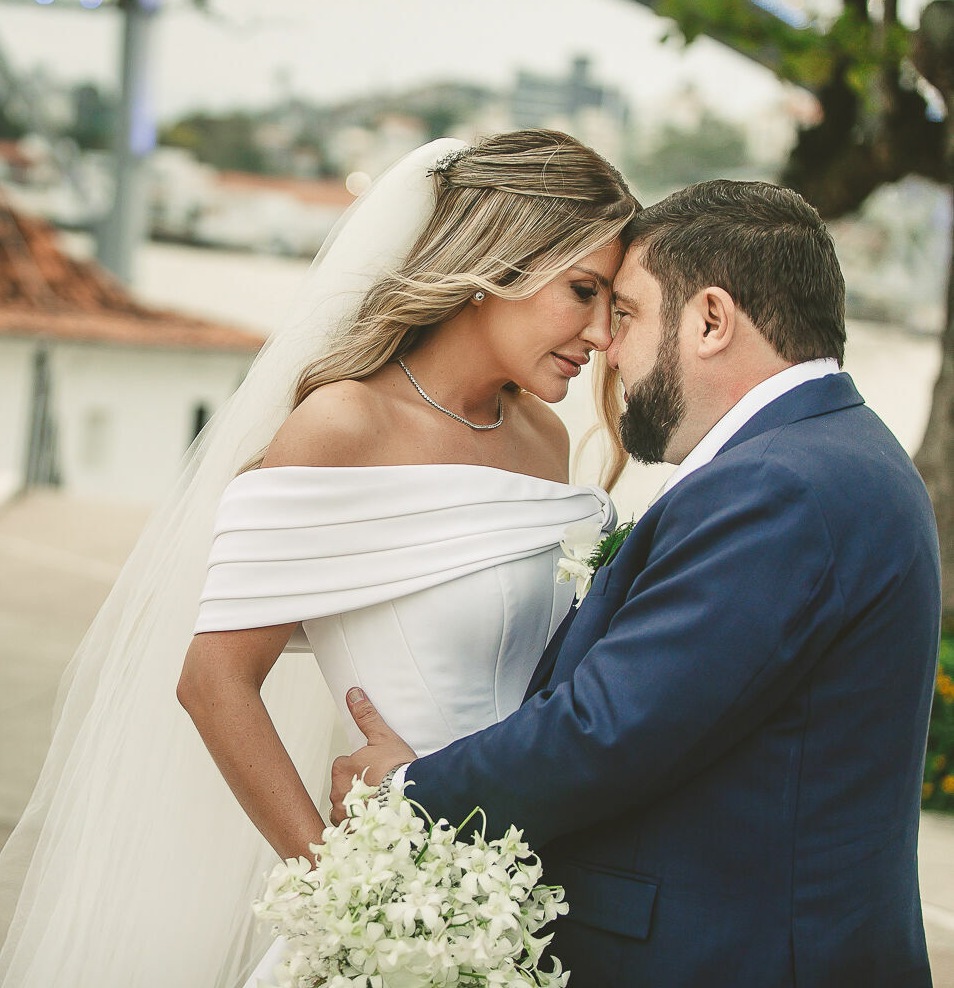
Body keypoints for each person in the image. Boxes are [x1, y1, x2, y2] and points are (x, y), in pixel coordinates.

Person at [0, 130, 638, 988]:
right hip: (398, 908)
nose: (603, 334)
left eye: (615, 306)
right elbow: (213, 681)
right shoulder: (344, 425)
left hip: (530, 884)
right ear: (497, 262)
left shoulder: (541, 437)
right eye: (584, 291)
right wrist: (344, 895)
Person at [334, 180, 942, 988]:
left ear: (711, 321)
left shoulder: (781, 485)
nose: (607, 351)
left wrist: (405, 794)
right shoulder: (837, 454)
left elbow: (610, 727)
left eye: (625, 314)